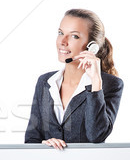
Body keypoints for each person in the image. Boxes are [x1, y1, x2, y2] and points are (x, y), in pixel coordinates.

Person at [24, 9, 123, 149]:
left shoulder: (110, 84)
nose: (63, 42)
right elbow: (31, 139)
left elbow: (96, 135)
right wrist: (44, 145)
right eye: (60, 33)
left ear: (92, 46)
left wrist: (95, 82)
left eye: (74, 36)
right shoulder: (45, 82)